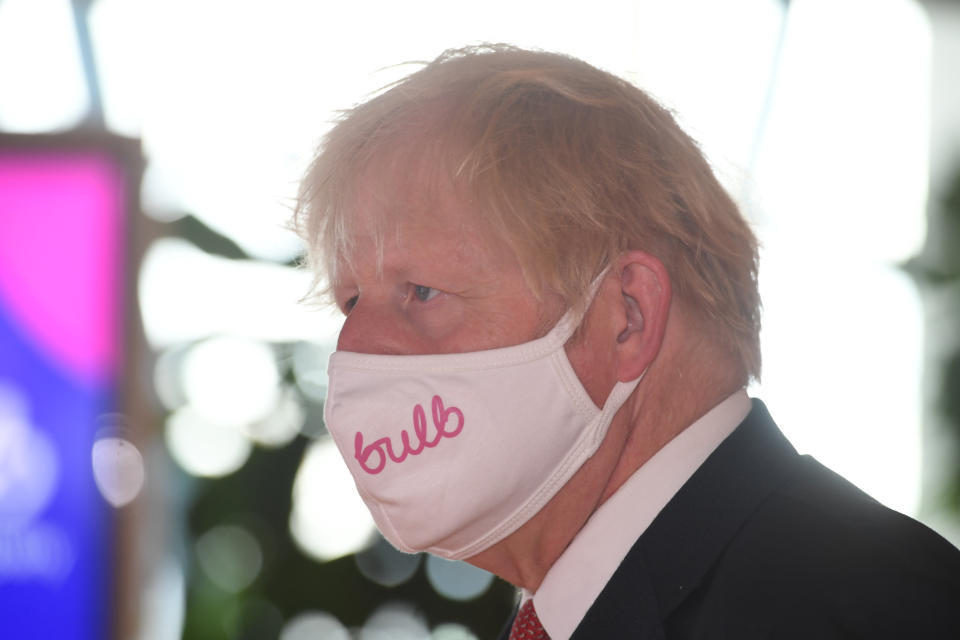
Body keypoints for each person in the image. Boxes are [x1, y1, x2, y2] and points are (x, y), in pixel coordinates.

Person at [293, 44, 960, 639]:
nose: (355, 348)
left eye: (422, 291)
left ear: (627, 316)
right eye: (351, 301)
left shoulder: (863, 607)